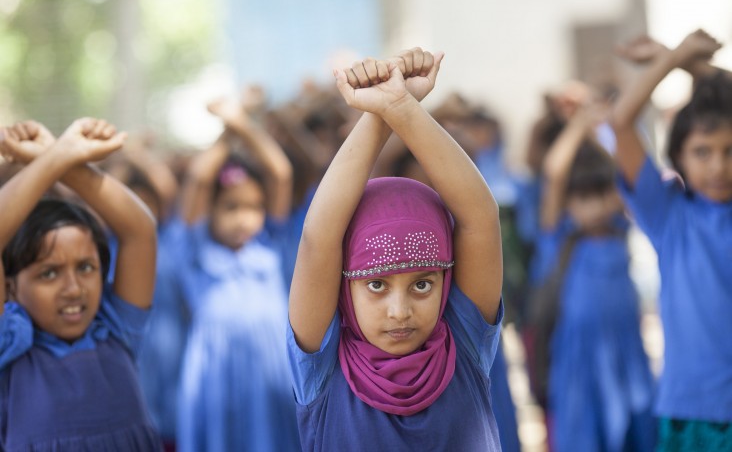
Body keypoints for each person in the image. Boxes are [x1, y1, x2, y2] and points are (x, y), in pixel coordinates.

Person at [288, 48, 504, 451]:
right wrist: (378, 113)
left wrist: (402, 107)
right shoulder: (323, 366)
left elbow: (479, 217)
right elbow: (319, 239)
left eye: (422, 285)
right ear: (343, 285)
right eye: (376, 285)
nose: (399, 311)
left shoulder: (465, 341)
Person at [0, 118, 162, 450]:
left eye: (86, 267)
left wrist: (60, 157)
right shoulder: (9, 348)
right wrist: (57, 157)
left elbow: (140, 230)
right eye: (48, 273)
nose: (73, 288)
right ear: (11, 286)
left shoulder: (116, 329)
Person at [610, 29, 732, 450]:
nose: (718, 165)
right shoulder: (668, 215)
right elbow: (620, 121)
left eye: (729, 150)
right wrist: (676, 57)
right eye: (703, 151)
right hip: (689, 410)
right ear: (678, 156)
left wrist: (683, 61)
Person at [169, 97, 300, 452]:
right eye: (231, 207)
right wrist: (227, 133)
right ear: (209, 209)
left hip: (271, 367)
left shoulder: (269, 244)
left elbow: (280, 172)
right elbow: (198, 178)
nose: (245, 218)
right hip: (217, 371)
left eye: (255, 207)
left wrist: (242, 122)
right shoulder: (196, 251)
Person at [529, 102, 655, 451]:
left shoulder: (620, 229)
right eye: (583, 197)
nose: (596, 205)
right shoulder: (562, 238)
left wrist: (608, 130)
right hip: (580, 365)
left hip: (627, 358)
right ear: (569, 201)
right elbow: (555, 172)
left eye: (602, 194)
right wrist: (580, 124)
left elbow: (622, 171)